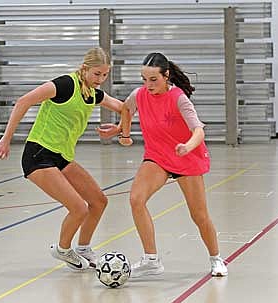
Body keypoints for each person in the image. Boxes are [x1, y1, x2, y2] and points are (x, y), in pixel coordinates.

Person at [98, 52, 228, 277]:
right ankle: (151, 260)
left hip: (185, 157)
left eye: (153, 80)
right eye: (144, 79)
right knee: (136, 199)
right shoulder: (139, 95)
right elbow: (127, 109)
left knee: (199, 215)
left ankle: (216, 258)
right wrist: (122, 131)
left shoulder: (179, 98)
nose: (148, 85)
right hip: (157, 157)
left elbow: (198, 130)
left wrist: (187, 146)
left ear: (166, 76)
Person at [0, 47, 123, 271]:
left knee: (99, 201)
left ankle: (83, 248)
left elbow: (124, 108)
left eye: (104, 75)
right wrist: (6, 138)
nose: (100, 80)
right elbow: (23, 101)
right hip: (38, 154)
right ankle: (63, 250)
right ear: (84, 69)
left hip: (62, 157)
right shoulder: (65, 85)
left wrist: (121, 128)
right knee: (78, 209)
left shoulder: (93, 94)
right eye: (96, 74)